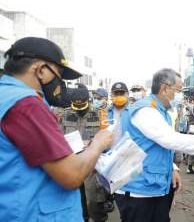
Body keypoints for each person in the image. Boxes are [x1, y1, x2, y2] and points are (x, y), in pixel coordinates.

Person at [0, 37, 112, 221]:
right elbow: (72, 176)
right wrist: (98, 144)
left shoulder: (6, 96)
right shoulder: (28, 105)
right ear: (40, 69)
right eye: (58, 74)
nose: (60, 83)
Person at [114, 68, 194, 222]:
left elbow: (156, 148)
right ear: (164, 89)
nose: (180, 95)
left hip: (154, 187)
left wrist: (172, 168)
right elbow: (169, 139)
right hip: (139, 190)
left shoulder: (161, 111)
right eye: (178, 90)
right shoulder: (146, 110)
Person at [62, 84, 109, 222]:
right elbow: (58, 136)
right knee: (76, 201)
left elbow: (108, 138)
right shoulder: (65, 114)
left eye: (81, 104)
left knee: (94, 202)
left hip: (93, 165)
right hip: (72, 164)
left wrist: (93, 143)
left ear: (88, 100)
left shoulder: (99, 114)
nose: (78, 107)